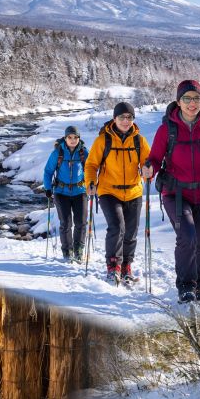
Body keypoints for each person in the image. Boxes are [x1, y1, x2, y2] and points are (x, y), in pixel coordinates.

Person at [141, 80, 200, 302]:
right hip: (175, 194)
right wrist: (149, 167)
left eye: (196, 98)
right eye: (187, 98)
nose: (192, 103)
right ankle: (186, 285)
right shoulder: (166, 129)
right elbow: (156, 158)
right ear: (178, 102)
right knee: (187, 236)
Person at [84, 102, 150, 285]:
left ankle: (127, 266)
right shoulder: (103, 140)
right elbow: (91, 165)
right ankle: (113, 267)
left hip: (133, 191)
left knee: (131, 232)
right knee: (117, 227)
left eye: (129, 117)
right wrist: (90, 182)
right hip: (108, 191)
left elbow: (148, 162)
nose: (126, 121)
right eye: (122, 117)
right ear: (114, 119)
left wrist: (148, 170)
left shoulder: (139, 140)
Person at [43, 125, 89, 262]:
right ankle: (67, 251)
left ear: (79, 138)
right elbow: (48, 171)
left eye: (75, 137)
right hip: (61, 192)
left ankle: (79, 250)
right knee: (66, 223)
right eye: (70, 137)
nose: (73, 140)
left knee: (81, 222)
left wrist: (93, 184)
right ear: (65, 138)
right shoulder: (58, 153)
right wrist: (47, 188)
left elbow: (91, 169)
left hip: (80, 191)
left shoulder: (84, 153)